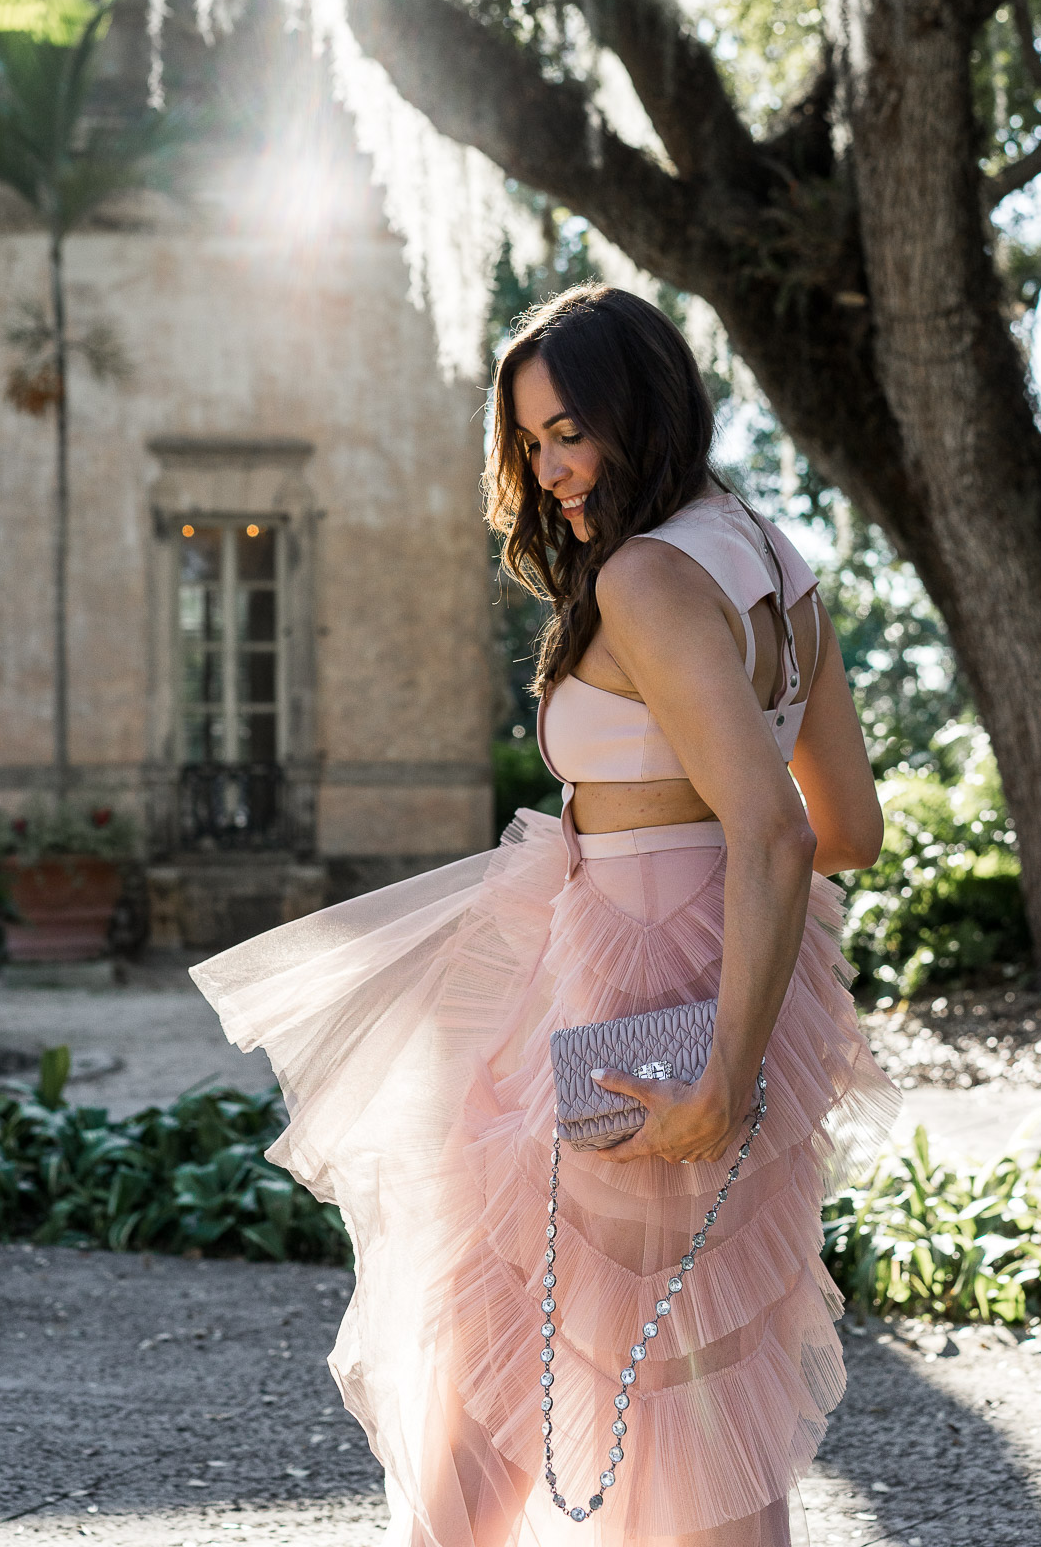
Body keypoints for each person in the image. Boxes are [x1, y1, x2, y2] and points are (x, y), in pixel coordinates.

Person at [192, 284, 899, 1547]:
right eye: (531, 442)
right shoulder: (771, 560)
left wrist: (718, 1063)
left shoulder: (645, 576)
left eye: (572, 429)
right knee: (683, 1379)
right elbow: (852, 827)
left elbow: (785, 831)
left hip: (648, 1013)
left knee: (503, 1353)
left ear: (644, 408)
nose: (553, 469)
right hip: (714, 989)